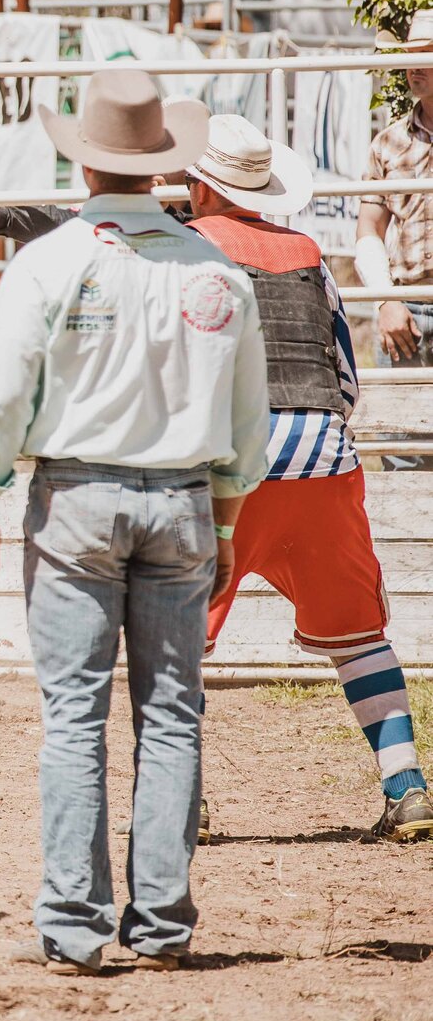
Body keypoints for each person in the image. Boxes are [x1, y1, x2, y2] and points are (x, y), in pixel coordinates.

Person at [0, 68, 269, 974]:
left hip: (77, 500)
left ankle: (75, 921)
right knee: (172, 712)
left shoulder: (52, 260)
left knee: (75, 713)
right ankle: (163, 920)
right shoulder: (216, 272)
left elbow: (6, 390)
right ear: (164, 167)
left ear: (84, 163)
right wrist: (229, 519)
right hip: (182, 502)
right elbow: (247, 424)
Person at [180, 115, 431, 842]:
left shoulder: (189, 249)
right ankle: (408, 785)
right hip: (324, 454)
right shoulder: (307, 251)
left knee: (179, 634)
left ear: (200, 184)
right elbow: (345, 375)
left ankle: (182, 794)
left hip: (232, 464)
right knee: (360, 635)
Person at [358, 11, 433, 365]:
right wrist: (385, 300)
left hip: (410, 310)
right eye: (410, 55)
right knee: (395, 418)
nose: (414, 65)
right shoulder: (387, 143)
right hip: (408, 311)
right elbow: (368, 229)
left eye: (425, 53)